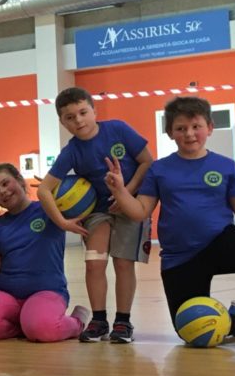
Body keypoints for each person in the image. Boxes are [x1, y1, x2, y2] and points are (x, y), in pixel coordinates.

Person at [106, 96, 235, 350]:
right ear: (170, 132)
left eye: (196, 126)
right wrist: (119, 190)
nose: (189, 134)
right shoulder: (159, 169)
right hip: (180, 259)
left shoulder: (226, 166)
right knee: (193, 331)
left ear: (210, 128)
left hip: (220, 243)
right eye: (180, 128)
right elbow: (140, 211)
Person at [37, 87, 153, 344]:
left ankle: (123, 321)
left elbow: (148, 161)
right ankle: (99, 320)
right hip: (98, 211)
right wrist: (62, 222)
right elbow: (43, 190)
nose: (78, 120)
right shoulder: (71, 151)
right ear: (62, 122)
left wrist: (126, 193)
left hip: (130, 206)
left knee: (123, 263)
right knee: (94, 262)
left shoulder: (118, 129)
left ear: (94, 111)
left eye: (82, 112)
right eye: (70, 117)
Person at [0, 163, 90, 342]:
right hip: (6, 293)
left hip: (46, 291)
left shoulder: (50, 210)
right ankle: (25, 326)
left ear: (20, 180)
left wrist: (56, 189)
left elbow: (79, 203)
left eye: (5, 183)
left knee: (43, 329)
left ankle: (77, 322)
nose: (3, 191)